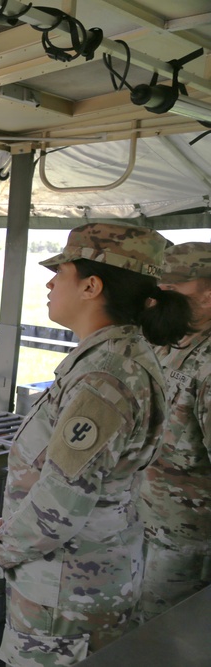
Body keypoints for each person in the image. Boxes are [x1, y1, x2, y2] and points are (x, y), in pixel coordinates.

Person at [0, 223, 192, 665]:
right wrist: (14, 520)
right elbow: (74, 483)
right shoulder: (118, 357)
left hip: (66, 596)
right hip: (86, 576)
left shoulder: (103, 377)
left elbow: (61, 506)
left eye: (62, 272)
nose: (51, 283)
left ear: (92, 285)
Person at [137, 242, 211, 622]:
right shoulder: (168, 342)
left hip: (185, 542)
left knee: (163, 638)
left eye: (173, 288)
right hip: (144, 519)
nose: (161, 297)